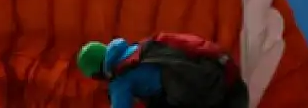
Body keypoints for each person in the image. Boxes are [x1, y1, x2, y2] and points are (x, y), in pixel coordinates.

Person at [77, 35, 249, 108]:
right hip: (217, 80)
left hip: (189, 95)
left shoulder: (120, 81)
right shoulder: (140, 48)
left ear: (97, 74)